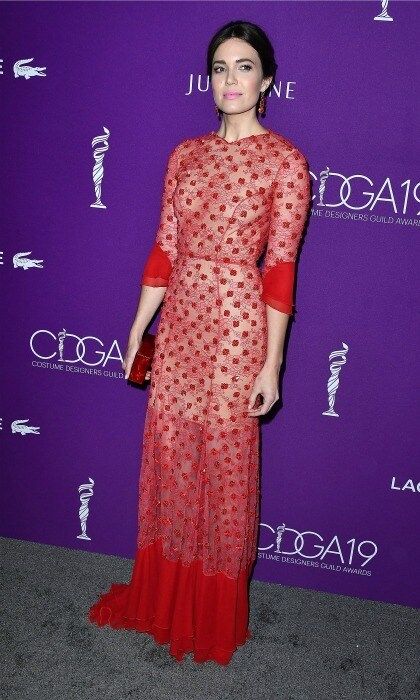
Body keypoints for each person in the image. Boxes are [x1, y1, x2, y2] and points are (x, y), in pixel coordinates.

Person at [88, 19, 311, 665]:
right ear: (208, 79)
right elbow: (166, 247)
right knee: (172, 459)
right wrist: (137, 328)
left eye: (244, 66)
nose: (230, 79)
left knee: (222, 466)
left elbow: (281, 270)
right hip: (181, 320)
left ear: (267, 80)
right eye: (220, 66)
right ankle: (162, 597)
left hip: (239, 326)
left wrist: (272, 363)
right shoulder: (184, 154)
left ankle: (208, 612)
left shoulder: (286, 163)